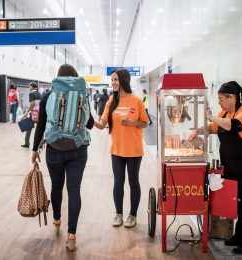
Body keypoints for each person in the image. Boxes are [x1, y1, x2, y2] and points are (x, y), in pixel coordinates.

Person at [189, 81, 242, 255]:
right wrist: (198, 130)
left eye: (222, 98)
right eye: (219, 99)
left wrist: (210, 117)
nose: (220, 102)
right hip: (234, 166)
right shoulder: (225, 112)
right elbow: (214, 126)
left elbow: (232, 125)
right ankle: (239, 236)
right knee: (238, 203)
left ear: (233, 97)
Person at [31, 64, 94, 251]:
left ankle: (57, 219)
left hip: (54, 149)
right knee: (74, 190)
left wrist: (35, 150)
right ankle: (72, 235)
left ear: (58, 77)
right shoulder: (81, 95)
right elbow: (89, 123)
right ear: (75, 77)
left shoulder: (49, 96)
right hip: (78, 149)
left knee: (56, 187)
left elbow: (40, 125)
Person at [94, 69, 149, 228]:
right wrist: (90, 121)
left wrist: (132, 124)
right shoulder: (111, 100)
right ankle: (118, 214)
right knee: (118, 182)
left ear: (124, 80)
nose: (113, 83)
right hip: (117, 150)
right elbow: (102, 123)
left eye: (116, 80)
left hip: (134, 150)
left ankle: (132, 215)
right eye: (112, 80)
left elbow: (145, 122)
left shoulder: (136, 101)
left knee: (133, 182)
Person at [21, 82, 42, 148]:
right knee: (39, 128)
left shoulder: (31, 93)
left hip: (33, 113)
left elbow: (32, 104)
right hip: (39, 113)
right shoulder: (39, 93)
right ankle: (40, 144)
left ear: (32, 87)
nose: (29, 88)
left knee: (28, 128)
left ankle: (27, 143)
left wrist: (26, 112)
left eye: (29, 86)